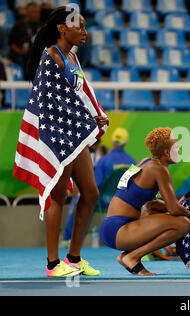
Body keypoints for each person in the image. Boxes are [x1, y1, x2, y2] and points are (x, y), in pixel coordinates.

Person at [14, 6, 109, 278]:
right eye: (80, 26)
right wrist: (85, 120)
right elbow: (51, 103)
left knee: (90, 193)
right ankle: (53, 264)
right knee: (58, 195)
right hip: (57, 134)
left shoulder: (72, 58)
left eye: (86, 27)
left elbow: (82, 93)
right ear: (62, 28)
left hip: (74, 134)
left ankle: (75, 258)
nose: (85, 33)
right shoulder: (51, 56)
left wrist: (96, 115)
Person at [99, 127, 190, 276]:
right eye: (176, 148)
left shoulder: (144, 162)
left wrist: (179, 207)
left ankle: (127, 255)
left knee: (152, 211)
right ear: (166, 152)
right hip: (119, 230)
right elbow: (173, 209)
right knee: (183, 223)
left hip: (111, 227)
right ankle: (133, 257)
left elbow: (151, 204)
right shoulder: (160, 170)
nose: (179, 151)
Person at [8, 2, 42, 77]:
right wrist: (20, 51)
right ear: (27, 13)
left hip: (36, 53)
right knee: (22, 60)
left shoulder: (42, 25)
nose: (37, 14)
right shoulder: (18, 25)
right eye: (34, 12)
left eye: (38, 12)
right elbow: (11, 43)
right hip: (21, 54)